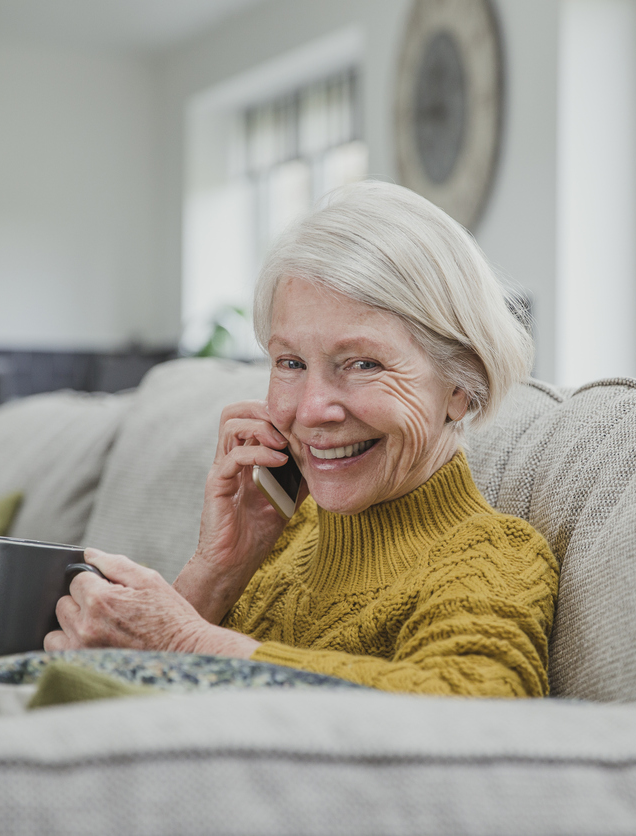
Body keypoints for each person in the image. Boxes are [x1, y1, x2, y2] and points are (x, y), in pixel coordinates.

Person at [44, 181, 559, 697]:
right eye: (290, 363)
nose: (311, 411)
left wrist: (185, 640)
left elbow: (478, 713)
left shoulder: (494, 557)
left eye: (363, 364)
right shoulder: (280, 533)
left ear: (461, 386)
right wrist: (216, 571)